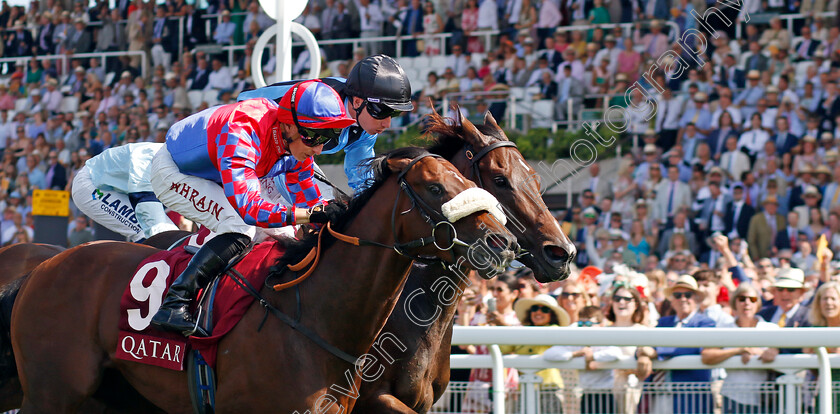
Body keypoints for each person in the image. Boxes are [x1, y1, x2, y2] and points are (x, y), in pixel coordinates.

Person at [148, 80, 356, 335]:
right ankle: (175, 301)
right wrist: (307, 215)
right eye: (315, 136)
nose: (319, 148)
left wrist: (340, 217)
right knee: (240, 228)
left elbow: (311, 204)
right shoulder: (243, 129)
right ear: (288, 123)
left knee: (286, 234)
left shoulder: (297, 145)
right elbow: (250, 210)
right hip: (174, 171)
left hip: (217, 172)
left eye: (329, 137)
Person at [238, 55, 413, 193]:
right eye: (382, 111)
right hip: (245, 135)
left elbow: (362, 177)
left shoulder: (366, 120)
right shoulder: (322, 107)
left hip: (287, 152)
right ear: (358, 102)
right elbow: (288, 166)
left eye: (394, 113)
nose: (387, 123)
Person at [637, 274, 715, 414]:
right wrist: (642, 354)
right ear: (672, 301)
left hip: (689, 396)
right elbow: (648, 346)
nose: (683, 299)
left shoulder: (705, 323)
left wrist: (656, 352)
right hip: (659, 393)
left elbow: (690, 348)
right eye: (678, 295)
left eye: (688, 294)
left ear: (696, 299)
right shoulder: (664, 322)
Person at [71, 143, 180, 243]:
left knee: (171, 235)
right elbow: (145, 202)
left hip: (114, 186)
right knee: (155, 234)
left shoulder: (176, 157)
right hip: (90, 185)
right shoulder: (149, 157)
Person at [702, 283, 779, 414]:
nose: (747, 303)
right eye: (742, 299)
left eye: (752, 299)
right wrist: (738, 351)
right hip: (733, 397)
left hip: (765, 397)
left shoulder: (771, 328)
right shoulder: (725, 328)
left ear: (758, 303)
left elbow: (779, 353)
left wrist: (759, 352)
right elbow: (707, 355)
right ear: (735, 302)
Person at [503, 294, 570, 413]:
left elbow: (544, 335)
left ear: (552, 315)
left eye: (544, 309)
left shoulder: (555, 329)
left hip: (549, 389)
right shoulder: (521, 332)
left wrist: (506, 327)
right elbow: (503, 348)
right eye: (535, 308)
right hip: (524, 388)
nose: (538, 312)